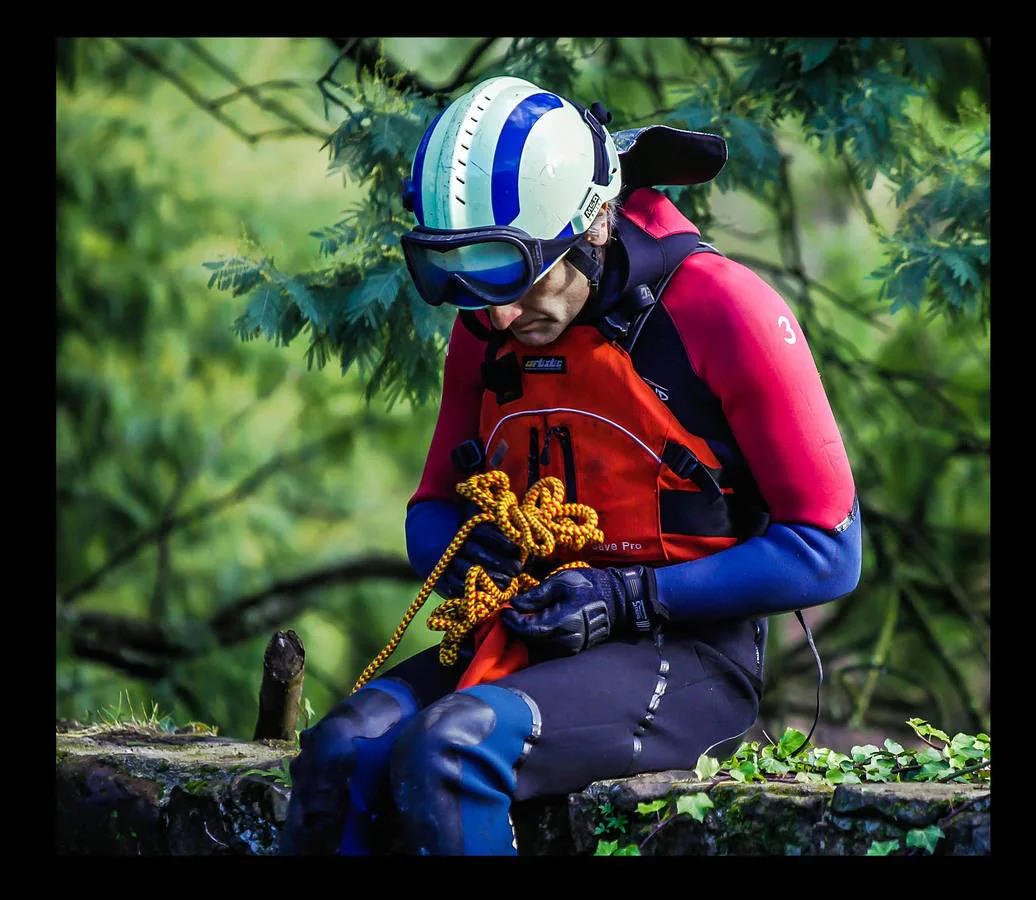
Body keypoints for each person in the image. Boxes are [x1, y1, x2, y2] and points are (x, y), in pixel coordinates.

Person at [280, 75, 862, 856]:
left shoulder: (727, 311)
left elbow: (830, 548)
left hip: (689, 658)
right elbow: (430, 514)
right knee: (338, 753)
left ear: (591, 224)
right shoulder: (488, 324)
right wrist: (468, 555)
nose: (499, 317)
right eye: (471, 287)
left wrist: (629, 598)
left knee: (450, 752)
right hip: (528, 634)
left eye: (519, 281)